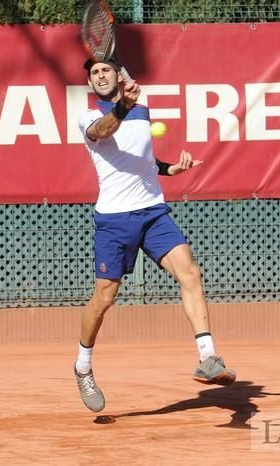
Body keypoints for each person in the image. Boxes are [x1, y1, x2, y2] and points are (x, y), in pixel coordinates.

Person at [74, 58, 236, 413]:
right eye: (94, 73)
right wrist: (124, 105)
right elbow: (105, 131)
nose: (100, 75)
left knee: (190, 273)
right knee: (104, 298)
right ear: (91, 82)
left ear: (119, 75)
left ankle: (207, 357)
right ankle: (83, 365)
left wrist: (169, 169)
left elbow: (139, 157)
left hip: (153, 212)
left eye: (105, 70)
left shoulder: (142, 111)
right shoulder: (89, 117)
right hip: (115, 220)